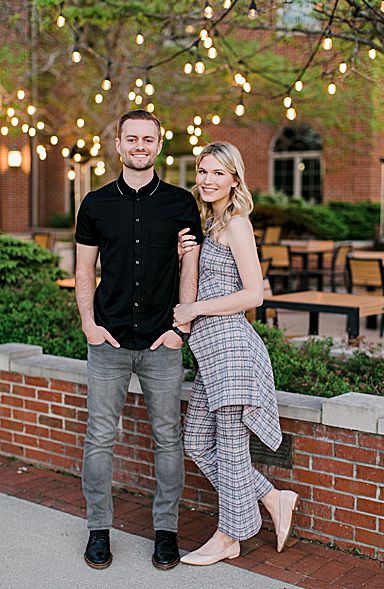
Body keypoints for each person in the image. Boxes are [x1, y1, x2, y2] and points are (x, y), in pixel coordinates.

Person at [73, 109, 203, 571]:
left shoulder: (181, 204)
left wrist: (179, 330)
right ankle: (98, 531)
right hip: (106, 341)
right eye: (132, 138)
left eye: (148, 139)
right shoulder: (95, 204)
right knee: (99, 438)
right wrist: (89, 323)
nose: (140, 146)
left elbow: (190, 266)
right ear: (119, 144)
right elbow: (84, 268)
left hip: (160, 343)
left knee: (168, 439)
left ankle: (166, 533)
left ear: (159, 144)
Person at [171, 141, 298, 566]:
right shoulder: (210, 223)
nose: (206, 180)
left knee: (228, 445)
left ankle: (229, 536)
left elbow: (253, 295)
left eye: (216, 173)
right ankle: (272, 497)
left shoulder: (237, 224)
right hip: (211, 353)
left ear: (234, 180)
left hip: (233, 349)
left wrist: (195, 308)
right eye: (203, 172)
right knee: (196, 442)